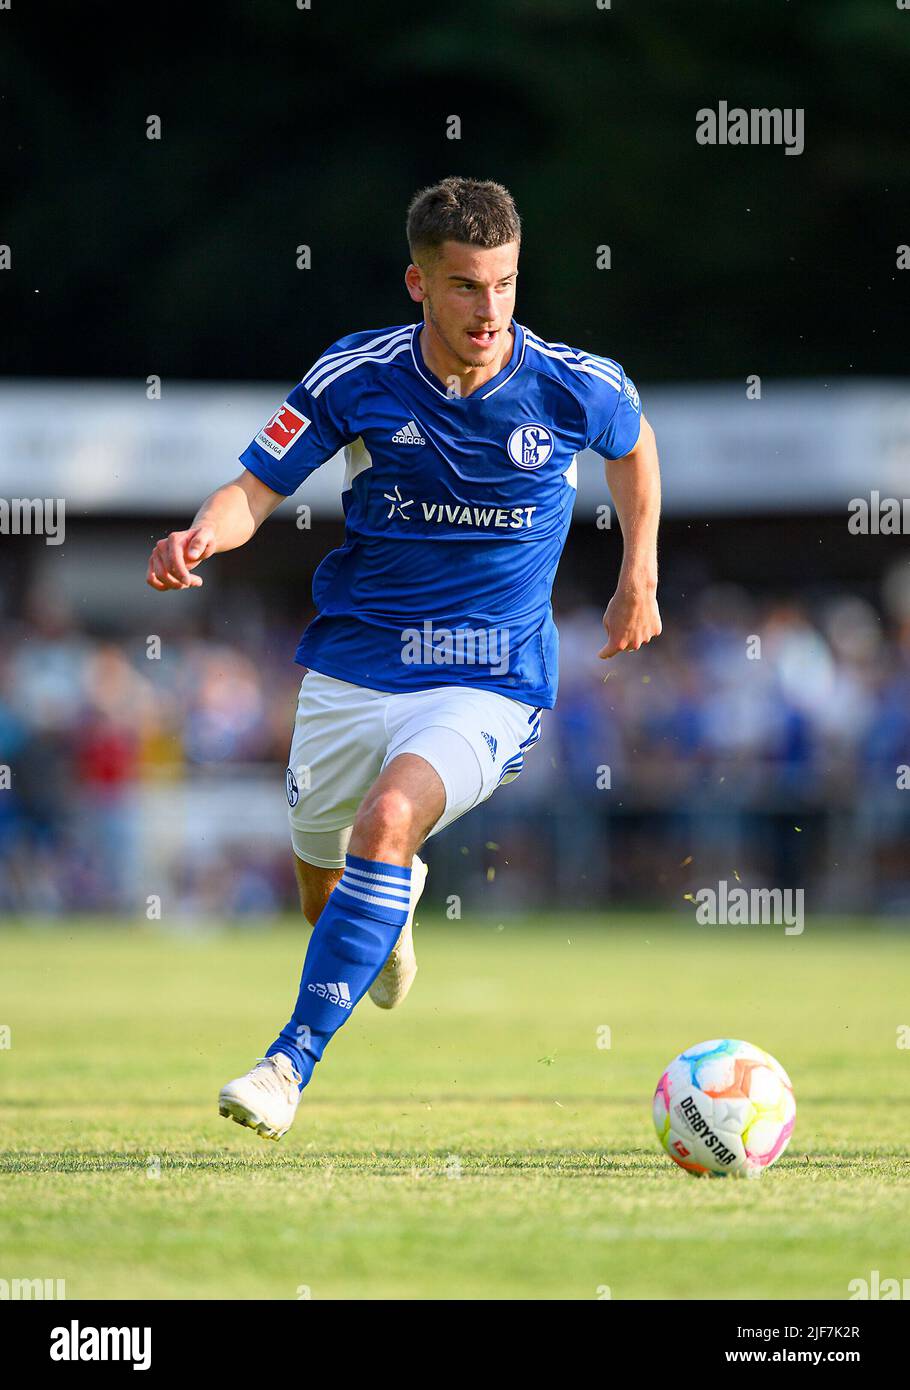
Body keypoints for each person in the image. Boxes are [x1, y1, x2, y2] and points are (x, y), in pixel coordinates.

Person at [146, 175, 662, 1141]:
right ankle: (393, 904)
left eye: (505, 284)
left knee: (388, 822)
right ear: (419, 285)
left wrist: (640, 573)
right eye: (466, 286)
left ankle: (285, 1067)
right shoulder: (357, 377)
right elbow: (254, 488)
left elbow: (634, 448)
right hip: (354, 667)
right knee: (319, 890)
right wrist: (200, 537)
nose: (491, 310)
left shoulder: (570, 383)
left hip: (488, 677)